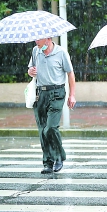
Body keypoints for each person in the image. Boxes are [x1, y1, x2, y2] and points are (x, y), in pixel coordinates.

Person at [27, 37, 76, 174]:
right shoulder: (35, 51)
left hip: (56, 93)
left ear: (48, 38)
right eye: (35, 39)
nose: (36, 41)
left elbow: (70, 74)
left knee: (50, 128)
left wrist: (72, 95)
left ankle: (59, 156)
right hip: (40, 94)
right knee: (42, 130)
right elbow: (31, 69)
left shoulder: (61, 52)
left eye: (39, 39)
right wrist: (30, 71)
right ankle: (48, 162)